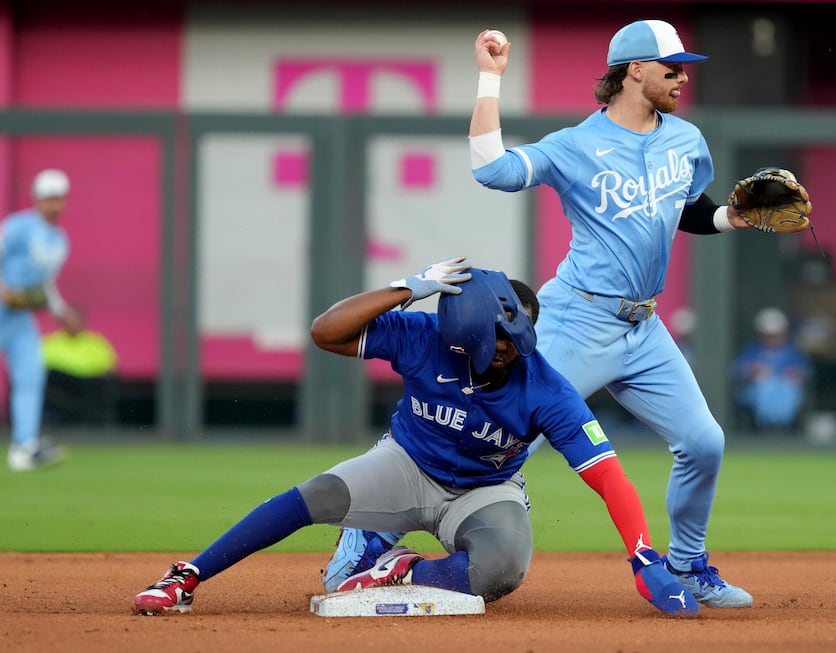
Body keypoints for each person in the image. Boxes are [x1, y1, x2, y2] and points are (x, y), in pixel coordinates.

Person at [328, 20, 760, 609]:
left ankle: (687, 565)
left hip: (644, 327)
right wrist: (489, 78)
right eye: (672, 66)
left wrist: (729, 219)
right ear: (635, 70)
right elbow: (491, 170)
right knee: (497, 435)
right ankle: (364, 541)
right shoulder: (575, 146)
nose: (683, 76)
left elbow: (688, 208)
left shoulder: (684, 139)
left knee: (704, 441)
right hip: (575, 320)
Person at [133, 258, 701, 617]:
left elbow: (609, 477)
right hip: (406, 463)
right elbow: (325, 332)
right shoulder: (423, 334)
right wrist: (407, 287)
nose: (514, 345)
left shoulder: (545, 389)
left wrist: (643, 555)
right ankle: (187, 576)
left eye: (518, 332)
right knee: (315, 496)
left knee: (503, 569)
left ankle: (400, 566)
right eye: (501, 334)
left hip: (485, 488)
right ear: (468, 329)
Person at [2, 169, 81, 471]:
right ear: (37, 199)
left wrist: (61, 312)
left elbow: (45, 284)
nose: (54, 203)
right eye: (48, 197)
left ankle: (24, 447)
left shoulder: (60, 239)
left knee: (31, 375)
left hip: (19, 318)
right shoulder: (19, 226)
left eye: (59, 197)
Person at [732, 307, 812, 430]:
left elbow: (806, 372)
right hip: (758, 391)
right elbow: (737, 370)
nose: (772, 338)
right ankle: (763, 429)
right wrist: (752, 372)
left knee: (790, 392)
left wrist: (795, 375)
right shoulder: (752, 350)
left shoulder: (793, 352)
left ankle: (783, 429)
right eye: (768, 335)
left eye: (775, 334)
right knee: (759, 391)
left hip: (787, 391)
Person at [42, 307, 119, 425]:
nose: (72, 324)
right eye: (69, 320)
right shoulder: (50, 341)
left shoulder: (96, 342)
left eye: (75, 320)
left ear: (82, 322)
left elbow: (110, 367)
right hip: (60, 386)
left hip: (90, 386)